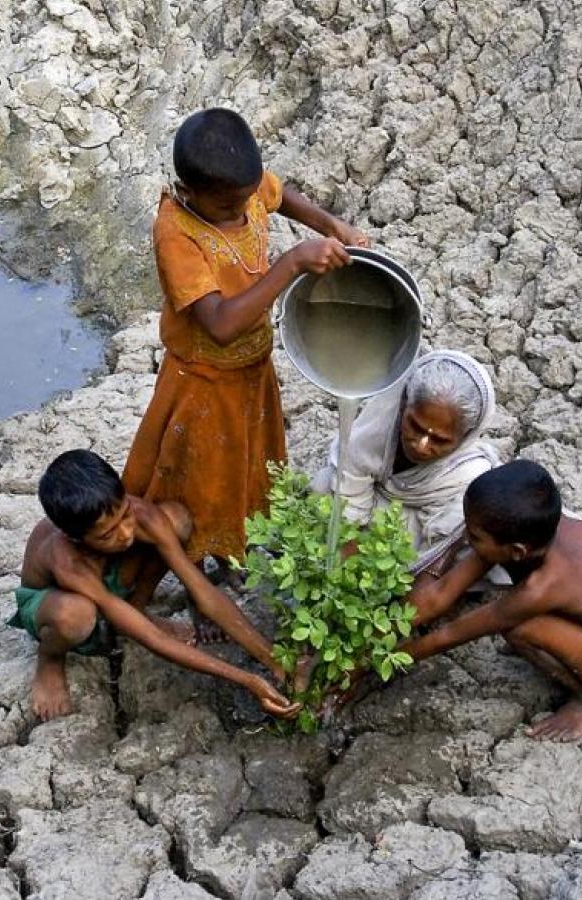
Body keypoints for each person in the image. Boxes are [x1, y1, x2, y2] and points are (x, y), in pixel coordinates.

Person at [124, 107, 368, 583]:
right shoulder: (176, 231)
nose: (240, 211)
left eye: (245, 199)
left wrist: (331, 225)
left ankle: (230, 551)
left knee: (246, 470)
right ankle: (195, 578)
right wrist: (292, 262)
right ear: (187, 191)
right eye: (226, 207)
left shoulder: (241, 188)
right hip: (202, 381)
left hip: (252, 370)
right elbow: (218, 324)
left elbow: (280, 196)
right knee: (200, 482)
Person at [388, 460, 582, 741]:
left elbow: (450, 634)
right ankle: (575, 647)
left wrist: (380, 664)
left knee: (521, 627)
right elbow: (440, 595)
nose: (465, 536)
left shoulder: (542, 586)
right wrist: (383, 631)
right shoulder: (530, 529)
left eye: (474, 536)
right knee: (506, 595)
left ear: (516, 551)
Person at [7, 449, 301, 721]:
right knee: (75, 614)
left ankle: (136, 609)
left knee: (176, 518)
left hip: (110, 579)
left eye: (125, 514)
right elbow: (152, 639)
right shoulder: (67, 560)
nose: (125, 534)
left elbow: (203, 591)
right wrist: (247, 680)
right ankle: (50, 660)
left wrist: (272, 658)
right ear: (76, 538)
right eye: (107, 534)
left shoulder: (139, 516)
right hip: (54, 603)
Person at [312, 349, 504, 579]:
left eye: (440, 440)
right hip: (376, 505)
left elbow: (435, 548)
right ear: (403, 404)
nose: (421, 446)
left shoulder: (467, 475)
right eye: (415, 426)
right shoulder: (380, 422)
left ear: (466, 437)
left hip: (411, 529)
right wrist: (345, 554)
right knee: (322, 486)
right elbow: (352, 482)